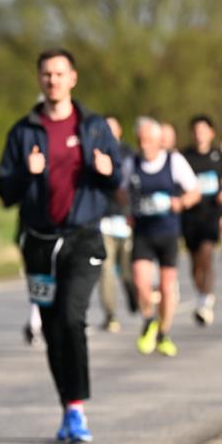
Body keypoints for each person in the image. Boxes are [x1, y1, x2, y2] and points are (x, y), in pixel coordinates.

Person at [0, 48, 121, 444]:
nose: (53, 80)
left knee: (71, 317)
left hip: (83, 238)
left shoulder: (94, 126)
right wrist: (25, 173)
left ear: (73, 79)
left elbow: (118, 180)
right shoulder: (23, 131)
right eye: (46, 74)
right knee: (51, 328)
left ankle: (78, 408)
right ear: (39, 79)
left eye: (59, 73)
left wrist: (108, 171)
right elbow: (5, 192)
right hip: (38, 243)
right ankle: (68, 405)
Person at [126, 117, 199, 357]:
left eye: (148, 140)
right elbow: (121, 191)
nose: (144, 145)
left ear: (159, 141)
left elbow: (194, 191)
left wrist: (180, 202)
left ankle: (164, 333)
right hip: (143, 233)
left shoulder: (173, 161)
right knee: (140, 282)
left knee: (167, 288)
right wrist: (127, 210)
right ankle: (149, 320)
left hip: (167, 232)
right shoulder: (131, 163)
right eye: (140, 140)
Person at [180, 115, 222, 326]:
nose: (199, 134)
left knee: (207, 253)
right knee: (195, 264)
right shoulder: (184, 156)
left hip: (212, 213)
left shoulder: (218, 156)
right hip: (190, 215)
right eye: (196, 130)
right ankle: (202, 293)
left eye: (203, 130)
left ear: (212, 133)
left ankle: (205, 301)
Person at [99, 115, 136, 331]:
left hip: (125, 220)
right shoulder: (95, 153)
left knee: (127, 272)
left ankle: (134, 295)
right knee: (106, 271)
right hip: (104, 221)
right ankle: (110, 315)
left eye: (113, 128)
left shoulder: (129, 154)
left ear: (120, 130)